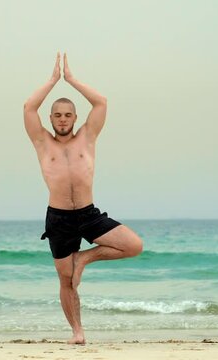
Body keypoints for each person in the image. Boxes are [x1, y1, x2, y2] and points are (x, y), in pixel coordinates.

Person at [23, 52, 144, 344]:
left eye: (68, 115)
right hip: (59, 218)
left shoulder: (87, 137)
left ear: (75, 118)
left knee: (133, 245)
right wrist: (53, 81)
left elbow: (101, 102)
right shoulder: (42, 142)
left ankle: (84, 259)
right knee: (65, 280)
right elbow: (29, 106)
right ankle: (77, 332)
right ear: (50, 118)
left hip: (89, 214)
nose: (63, 120)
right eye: (57, 115)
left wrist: (72, 80)